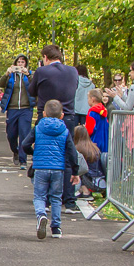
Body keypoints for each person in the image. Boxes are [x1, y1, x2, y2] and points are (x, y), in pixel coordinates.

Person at [27, 44, 81, 213]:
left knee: (45, 153)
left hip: (46, 117)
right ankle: (69, 200)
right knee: (66, 154)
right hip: (67, 117)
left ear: (45, 57)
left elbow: (31, 90)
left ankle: (47, 199)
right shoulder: (73, 71)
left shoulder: (42, 71)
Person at [23, 100, 80, 239]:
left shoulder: (38, 128)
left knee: (39, 196)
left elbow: (25, 144)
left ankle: (41, 215)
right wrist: (75, 171)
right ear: (62, 115)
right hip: (58, 168)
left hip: (40, 167)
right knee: (56, 198)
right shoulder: (65, 131)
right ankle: (56, 228)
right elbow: (72, 152)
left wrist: (32, 152)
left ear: (43, 113)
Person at [0, 54, 33, 167]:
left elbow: (35, 86)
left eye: (23, 62)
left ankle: (23, 160)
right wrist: (6, 74)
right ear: (15, 64)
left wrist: (28, 75)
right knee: (11, 134)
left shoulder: (30, 75)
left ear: (26, 64)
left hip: (26, 108)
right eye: (18, 62)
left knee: (24, 134)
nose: (20, 64)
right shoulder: (11, 76)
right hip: (12, 109)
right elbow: (0, 84)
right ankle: (15, 151)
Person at [72, 125, 102, 198]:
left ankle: (86, 191)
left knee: (78, 169)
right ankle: (84, 190)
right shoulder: (94, 147)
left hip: (90, 179)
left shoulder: (78, 149)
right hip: (98, 178)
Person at [85, 89, 109, 153]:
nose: (88, 100)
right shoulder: (104, 111)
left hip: (94, 143)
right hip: (104, 142)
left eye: (88, 98)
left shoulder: (92, 113)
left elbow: (89, 130)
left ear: (92, 99)